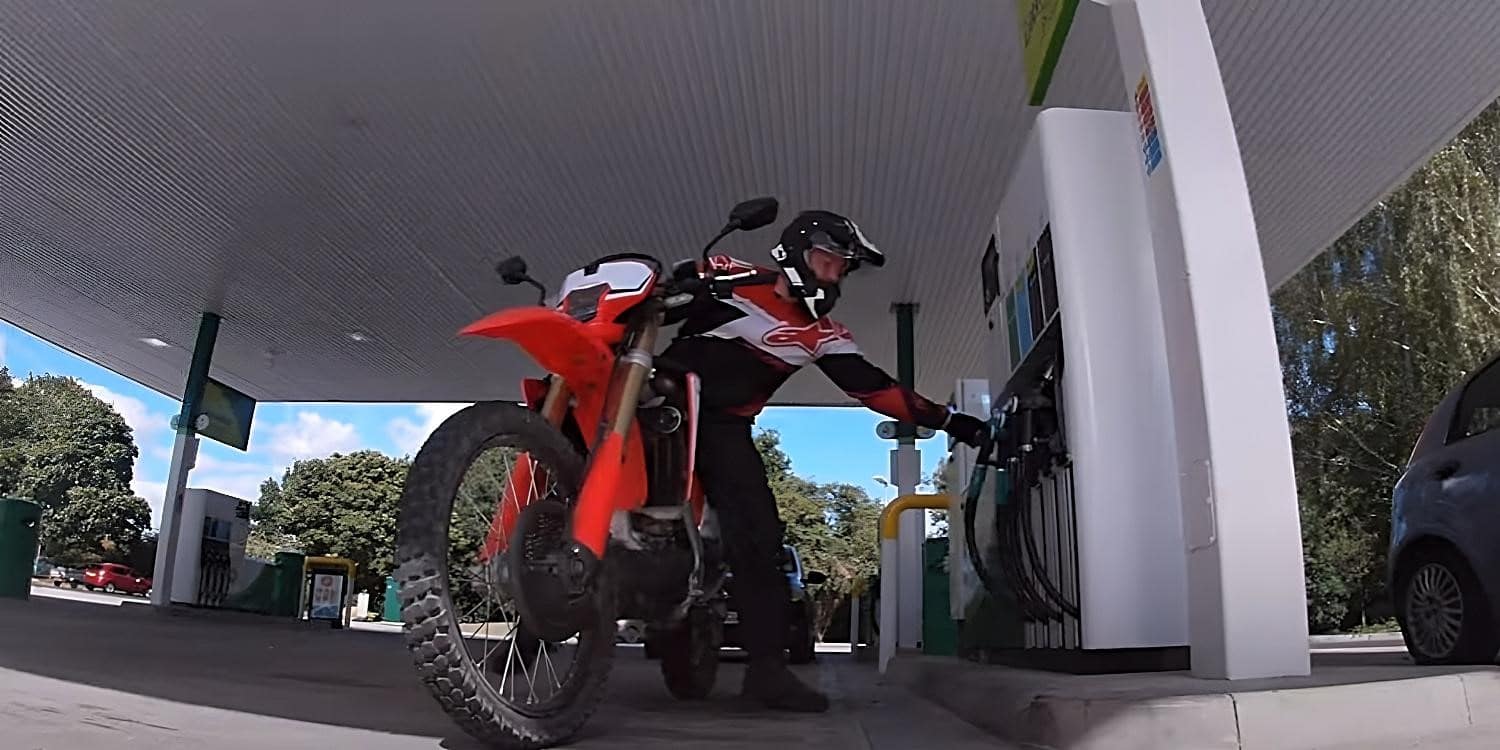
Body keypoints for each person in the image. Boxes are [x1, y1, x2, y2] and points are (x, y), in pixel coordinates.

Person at [659, 210, 987, 712]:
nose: (834, 275)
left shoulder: (825, 335)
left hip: (722, 427)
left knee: (762, 540)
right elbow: (651, 294)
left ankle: (766, 673)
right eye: (827, 261)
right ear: (794, 250)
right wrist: (678, 286)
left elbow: (876, 388)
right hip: (659, 397)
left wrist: (952, 420)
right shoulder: (730, 273)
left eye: (842, 268)